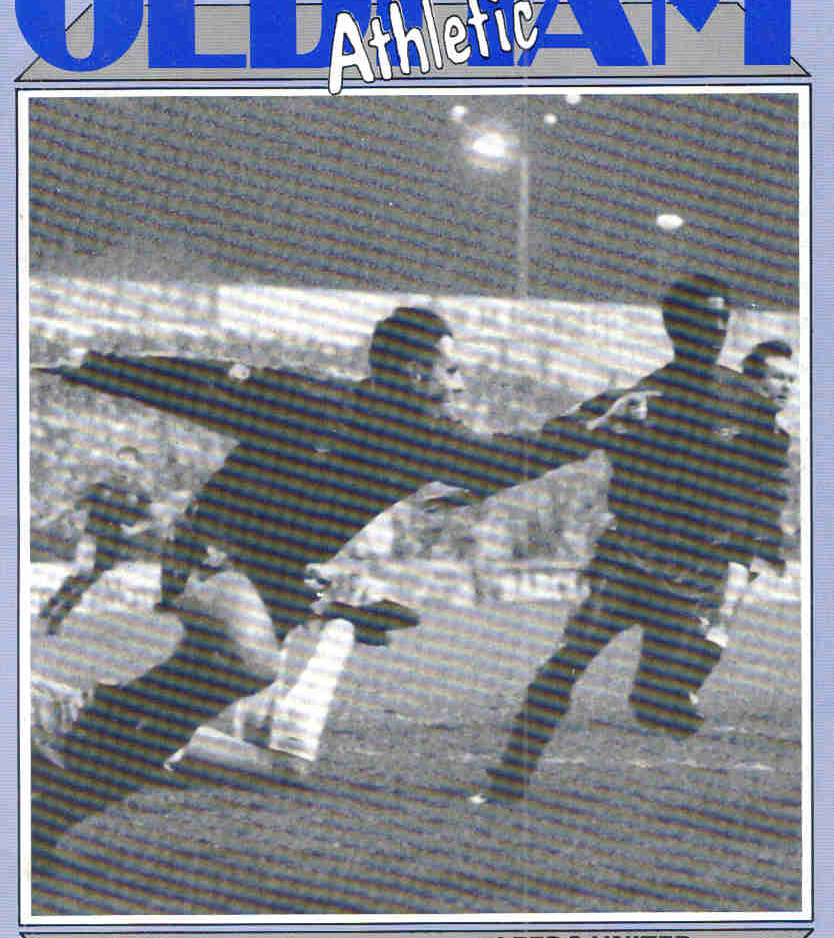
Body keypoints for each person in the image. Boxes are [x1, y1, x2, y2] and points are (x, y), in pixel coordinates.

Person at [30, 306, 644, 866]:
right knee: (251, 665)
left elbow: (511, 459)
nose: (460, 383)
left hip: (276, 579)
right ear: (415, 373)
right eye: (451, 369)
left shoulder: (430, 438)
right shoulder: (312, 398)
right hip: (213, 551)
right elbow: (202, 384)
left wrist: (596, 422)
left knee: (169, 725)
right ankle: (79, 709)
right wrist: (95, 366)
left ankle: (46, 821)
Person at [472, 276, 793, 806]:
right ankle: (508, 778)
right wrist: (480, 483)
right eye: (705, 318)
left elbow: (767, 479)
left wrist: (751, 551)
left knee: (653, 706)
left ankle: (665, 697)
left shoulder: (748, 405)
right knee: (565, 663)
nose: (716, 327)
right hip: (626, 559)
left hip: (693, 574)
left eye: (723, 318)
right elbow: (557, 442)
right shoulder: (638, 399)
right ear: (675, 326)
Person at [37, 446, 153, 635]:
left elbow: (148, 520)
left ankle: (55, 608)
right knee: (82, 573)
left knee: (87, 580)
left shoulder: (140, 492)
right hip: (91, 536)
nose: (123, 462)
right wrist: (51, 518)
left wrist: (133, 529)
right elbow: (75, 505)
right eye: (120, 458)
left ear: (136, 465)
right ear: (115, 461)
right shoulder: (102, 484)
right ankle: (56, 618)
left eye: (128, 459)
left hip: (114, 543)